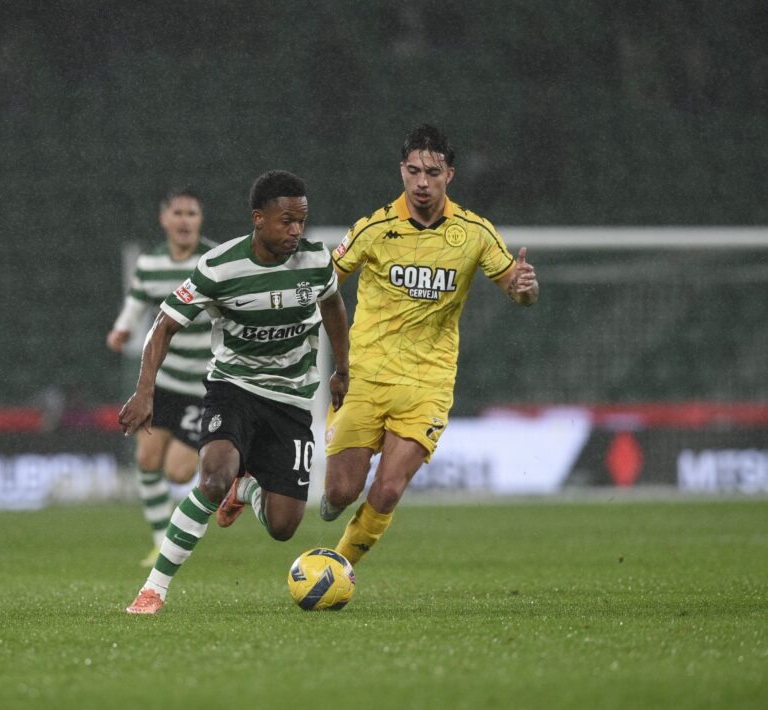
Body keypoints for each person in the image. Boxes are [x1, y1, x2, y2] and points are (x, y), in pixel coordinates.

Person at [121, 170, 350, 615]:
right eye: (286, 221)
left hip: (291, 401)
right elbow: (164, 324)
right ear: (258, 219)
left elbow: (334, 307)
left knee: (284, 526)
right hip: (234, 387)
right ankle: (154, 588)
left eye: (301, 221)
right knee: (211, 477)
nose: (296, 231)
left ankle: (245, 491)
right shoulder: (219, 267)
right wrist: (144, 391)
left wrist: (342, 369)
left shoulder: (317, 262)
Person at [320, 124, 540, 566]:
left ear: (450, 175)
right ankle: (335, 503)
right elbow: (324, 284)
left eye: (433, 172)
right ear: (401, 170)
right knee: (341, 492)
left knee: (387, 488)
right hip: (366, 374)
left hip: (427, 383)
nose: (423, 182)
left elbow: (518, 291)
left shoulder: (475, 233)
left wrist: (525, 287)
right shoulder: (373, 228)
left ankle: (335, 567)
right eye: (414, 171)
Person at [106, 187, 213, 567]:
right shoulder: (150, 264)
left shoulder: (212, 262)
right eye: (179, 213)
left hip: (203, 384)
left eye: (192, 213)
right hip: (165, 381)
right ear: (164, 220)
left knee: (179, 470)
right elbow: (136, 301)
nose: (185, 220)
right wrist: (121, 329)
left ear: (200, 220)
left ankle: (232, 464)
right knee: (147, 459)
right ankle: (161, 542)